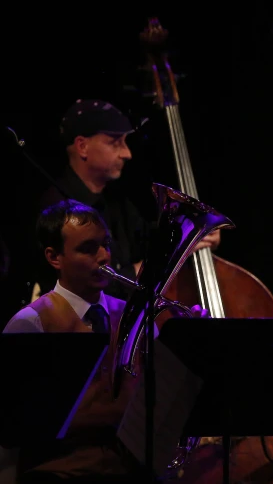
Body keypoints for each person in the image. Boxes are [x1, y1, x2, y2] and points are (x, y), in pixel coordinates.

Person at [2, 199, 209, 483]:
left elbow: (166, 405)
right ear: (55, 258)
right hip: (58, 474)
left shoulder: (133, 315)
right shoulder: (31, 324)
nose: (104, 257)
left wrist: (187, 347)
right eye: (88, 249)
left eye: (106, 244)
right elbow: (16, 424)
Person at [32, 98, 220, 301]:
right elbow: (82, 288)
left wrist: (190, 234)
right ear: (82, 146)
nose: (127, 153)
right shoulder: (57, 209)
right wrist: (147, 273)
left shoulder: (116, 200)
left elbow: (148, 238)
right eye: (115, 143)